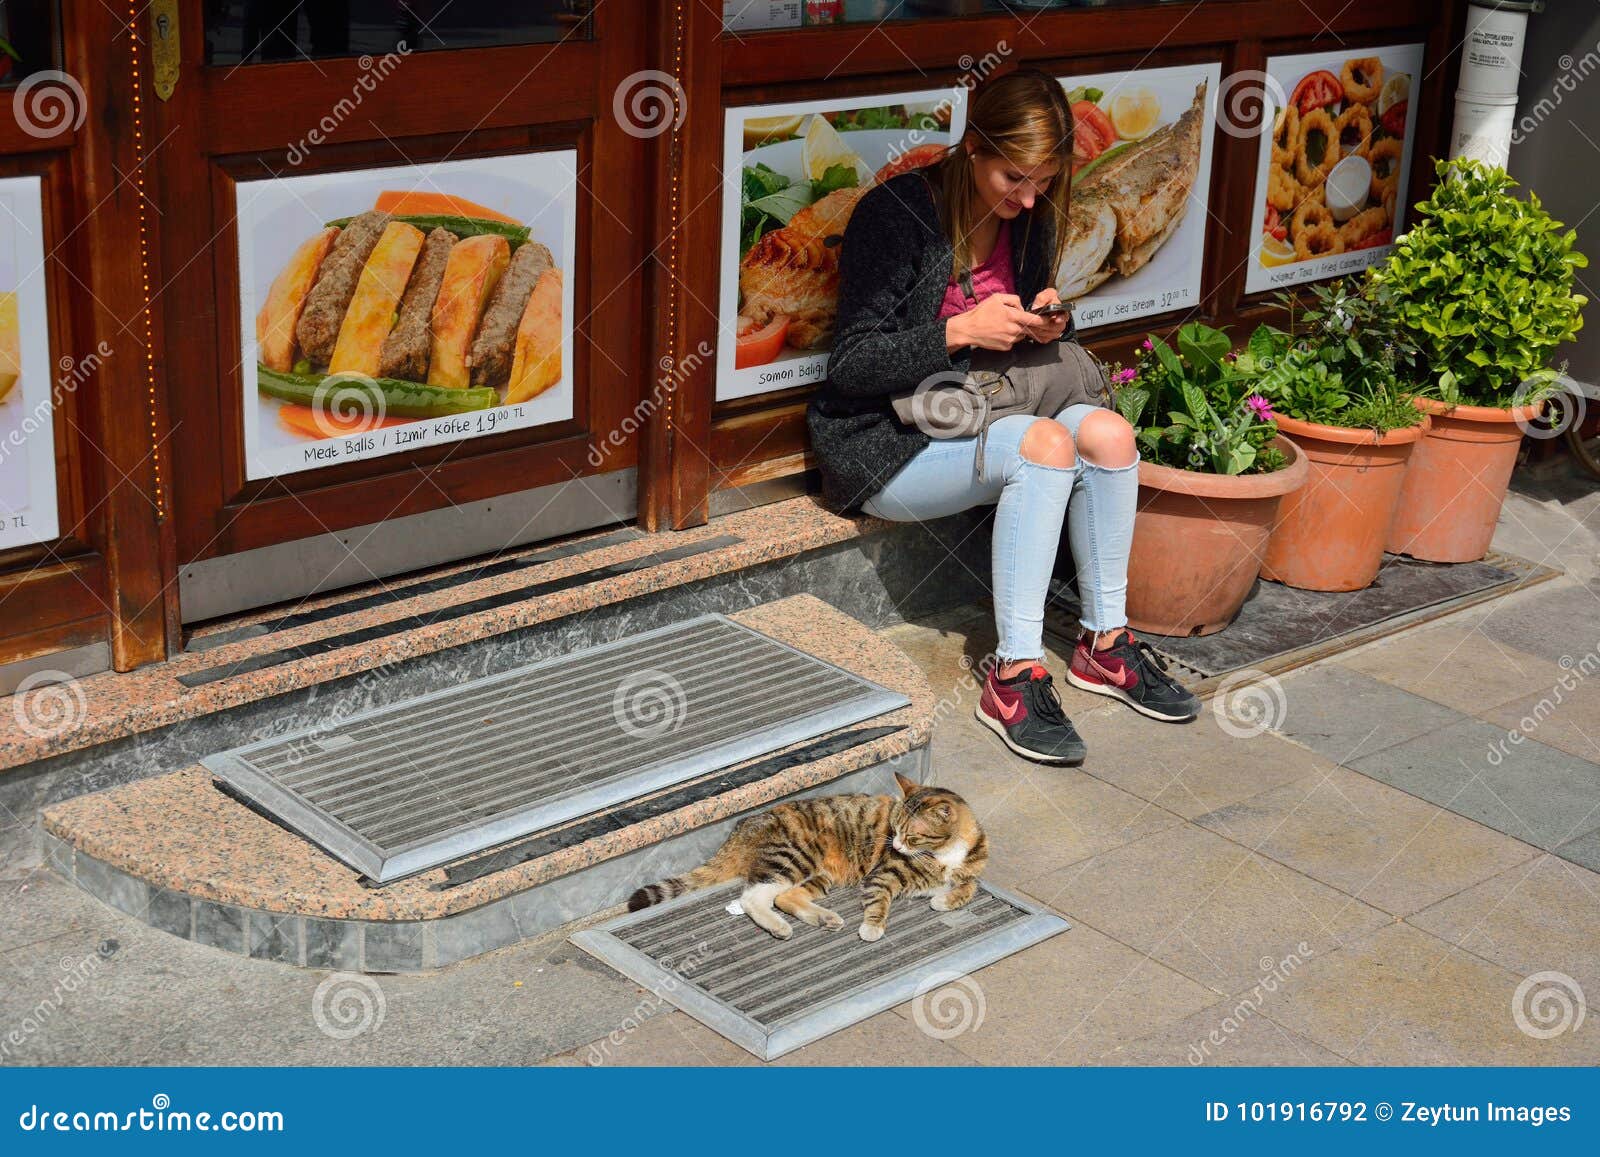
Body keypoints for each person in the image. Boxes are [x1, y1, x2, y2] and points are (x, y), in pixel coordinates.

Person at [805, 68, 1199, 766]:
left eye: (1042, 179)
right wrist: (961, 332)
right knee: (1044, 445)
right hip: (889, 438)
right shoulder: (895, 216)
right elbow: (853, 366)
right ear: (973, 148)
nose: (1026, 196)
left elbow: (1022, 339)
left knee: (1110, 435)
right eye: (1012, 177)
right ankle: (1012, 676)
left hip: (988, 405)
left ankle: (1105, 642)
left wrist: (1047, 324)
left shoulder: (1033, 216)